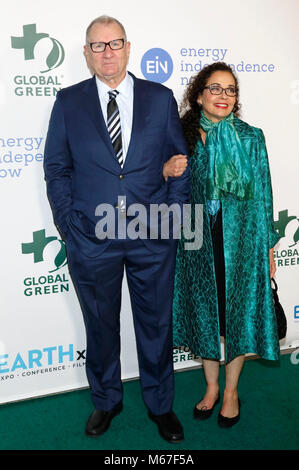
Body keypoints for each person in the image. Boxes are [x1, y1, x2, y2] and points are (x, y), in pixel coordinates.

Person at [44, 15, 189, 442]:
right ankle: (106, 401)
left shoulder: (160, 99)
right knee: (100, 325)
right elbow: (57, 169)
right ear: (87, 54)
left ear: (129, 47)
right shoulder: (68, 102)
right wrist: (69, 224)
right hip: (91, 238)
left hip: (152, 234)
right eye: (98, 45)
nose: (107, 52)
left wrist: (173, 220)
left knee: (157, 324)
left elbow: (179, 165)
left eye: (115, 43)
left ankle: (161, 405)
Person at [163, 62, 280, 427]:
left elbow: (263, 195)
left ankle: (231, 392)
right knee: (205, 315)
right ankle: (211, 387)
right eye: (215, 89)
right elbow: (165, 188)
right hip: (195, 239)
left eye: (230, 90)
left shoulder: (250, 137)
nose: (223, 96)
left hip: (241, 241)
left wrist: (269, 246)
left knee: (236, 317)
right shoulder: (181, 137)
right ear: (198, 96)